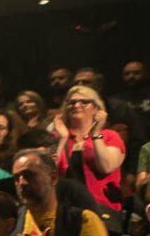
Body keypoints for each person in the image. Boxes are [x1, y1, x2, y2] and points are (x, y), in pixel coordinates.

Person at [52, 84, 127, 216]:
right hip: (66, 211)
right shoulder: (58, 137)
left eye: (84, 102)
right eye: (72, 102)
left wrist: (96, 133)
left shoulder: (110, 136)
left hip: (101, 210)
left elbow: (106, 166)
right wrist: (63, 138)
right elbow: (50, 176)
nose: (76, 105)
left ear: (96, 107)